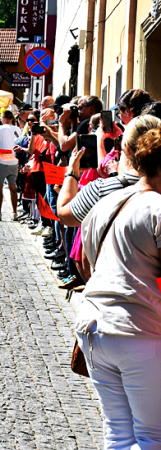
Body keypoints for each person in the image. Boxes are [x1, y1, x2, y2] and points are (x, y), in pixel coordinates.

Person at [75, 121, 161, 449]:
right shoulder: (158, 208)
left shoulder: (106, 204)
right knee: (151, 436)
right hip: (138, 330)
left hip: (93, 326)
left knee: (118, 433)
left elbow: (83, 264)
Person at [0, 110, 21, 221]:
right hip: (13, 160)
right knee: (13, 187)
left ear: (3, 118)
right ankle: (14, 213)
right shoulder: (18, 129)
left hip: (1, 160)